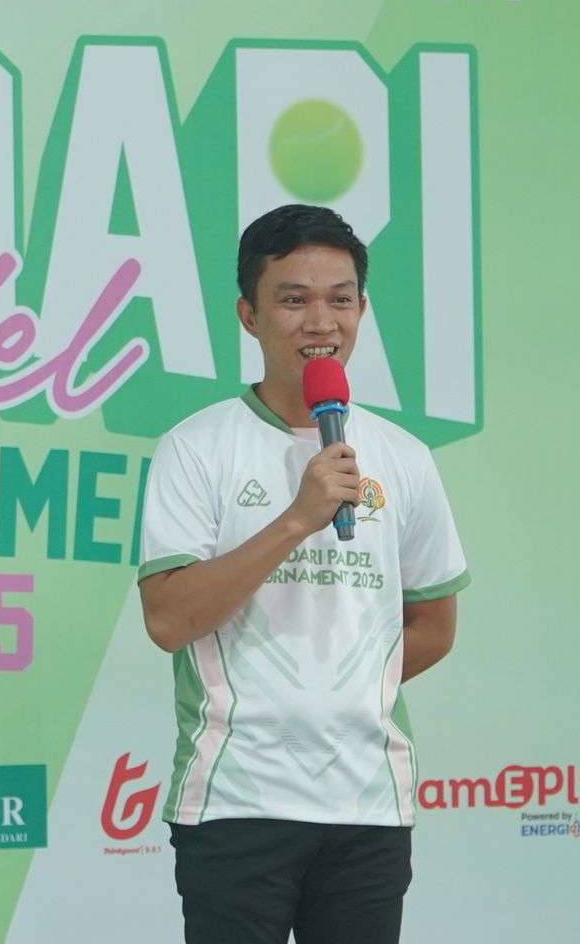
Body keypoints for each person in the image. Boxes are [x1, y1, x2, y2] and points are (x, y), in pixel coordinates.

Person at [136, 203, 469, 944]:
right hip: (236, 799)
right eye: (294, 300)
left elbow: (434, 625)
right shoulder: (196, 449)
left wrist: (342, 691)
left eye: (340, 300)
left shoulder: (404, 457)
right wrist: (296, 519)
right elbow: (169, 620)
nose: (321, 322)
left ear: (361, 310)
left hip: (368, 804)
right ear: (249, 316)